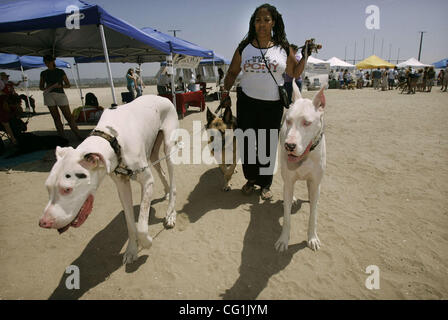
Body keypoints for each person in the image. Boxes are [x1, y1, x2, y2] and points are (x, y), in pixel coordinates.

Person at [221, 3, 308, 200]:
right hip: (247, 102)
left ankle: (265, 184)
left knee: (267, 144)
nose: (262, 24)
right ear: (253, 23)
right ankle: (251, 179)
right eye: (258, 20)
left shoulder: (282, 48)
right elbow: (233, 72)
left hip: (272, 104)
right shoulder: (245, 47)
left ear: (273, 23)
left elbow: (294, 72)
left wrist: (307, 55)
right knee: (247, 142)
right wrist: (225, 94)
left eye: (266, 20)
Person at [40, 55, 82, 140]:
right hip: (49, 95)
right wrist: (48, 87)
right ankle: (62, 137)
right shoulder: (43, 73)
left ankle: (78, 135)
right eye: (45, 62)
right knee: (56, 117)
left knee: (68, 116)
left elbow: (68, 84)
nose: (46, 64)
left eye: (47, 62)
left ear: (52, 62)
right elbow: (41, 87)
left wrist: (60, 86)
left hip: (60, 94)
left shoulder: (60, 71)